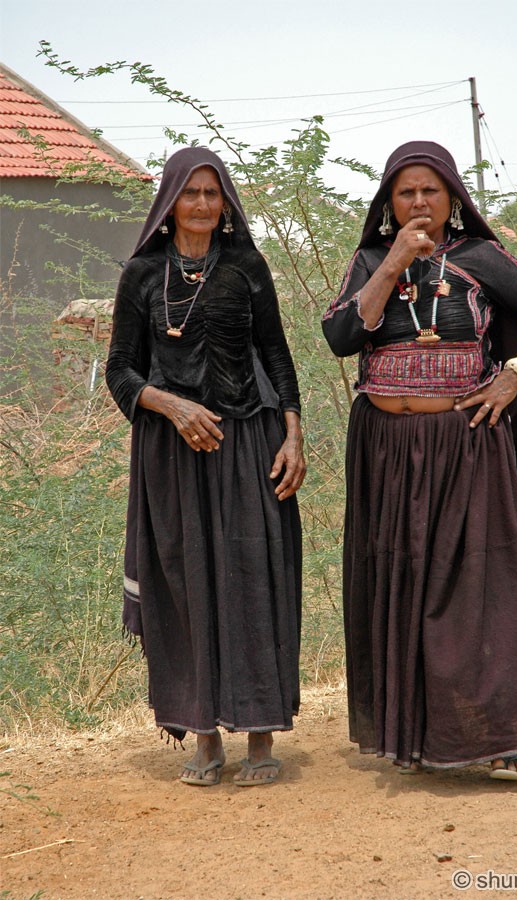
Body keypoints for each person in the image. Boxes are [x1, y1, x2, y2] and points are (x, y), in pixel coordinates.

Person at [322, 140, 517, 781]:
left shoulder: (479, 258)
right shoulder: (369, 261)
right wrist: (391, 263)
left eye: (430, 191)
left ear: (451, 198)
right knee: (400, 582)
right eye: (405, 192)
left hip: (467, 441)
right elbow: (340, 338)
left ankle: (499, 740)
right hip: (385, 449)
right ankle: (416, 738)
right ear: (388, 203)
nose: (418, 202)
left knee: (479, 587)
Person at [107, 146, 305, 787]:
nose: (200, 205)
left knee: (253, 578)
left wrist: (293, 434)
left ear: (225, 205)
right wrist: (169, 405)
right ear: (169, 203)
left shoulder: (247, 266)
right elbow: (120, 371)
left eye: (211, 194)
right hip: (171, 453)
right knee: (186, 584)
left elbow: (276, 356)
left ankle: (261, 736)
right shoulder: (141, 274)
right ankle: (203, 736)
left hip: (248, 442)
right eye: (189, 193)